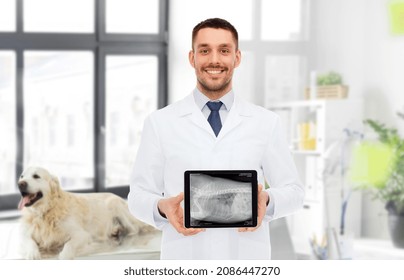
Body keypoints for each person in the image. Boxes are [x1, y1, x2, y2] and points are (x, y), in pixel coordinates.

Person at [128, 18, 304, 260]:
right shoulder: (160, 123)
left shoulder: (266, 122)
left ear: (237, 58)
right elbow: (137, 196)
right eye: (204, 50)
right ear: (192, 58)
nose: (214, 60)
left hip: (246, 261)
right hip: (185, 260)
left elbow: (294, 191)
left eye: (224, 50)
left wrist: (267, 201)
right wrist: (163, 208)